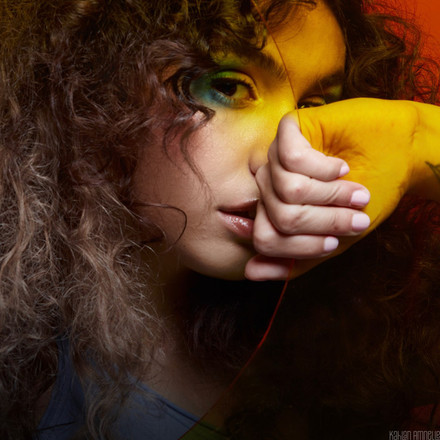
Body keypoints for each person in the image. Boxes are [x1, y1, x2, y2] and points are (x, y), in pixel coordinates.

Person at [0, 0, 439, 439]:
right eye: (228, 87)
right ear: (95, 89)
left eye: (315, 106)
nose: (285, 154)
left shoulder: (347, 353)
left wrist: (416, 137)